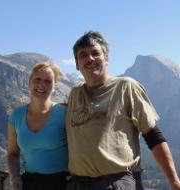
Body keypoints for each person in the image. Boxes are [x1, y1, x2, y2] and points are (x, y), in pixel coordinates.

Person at [65, 31, 180, 190]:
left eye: (95, 53)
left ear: (106, 58)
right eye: (83, 55)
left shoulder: (126, 87)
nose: (90, 58)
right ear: (77, 63)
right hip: (78, 184)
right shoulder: (75, 93)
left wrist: (174, 181)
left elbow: (153, 136)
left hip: (117, 183)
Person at [7, 61, 68, 190]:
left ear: (54, 86)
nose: (42, 85)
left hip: (62, 183)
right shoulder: (16, 116)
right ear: (29, 82)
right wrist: (15, 177)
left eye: (48, 81)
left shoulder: (64, 113)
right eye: (38, 79)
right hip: (28, 183)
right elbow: (12, 154)